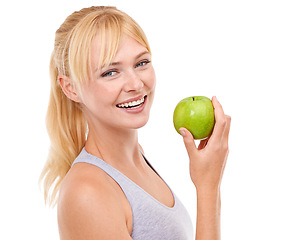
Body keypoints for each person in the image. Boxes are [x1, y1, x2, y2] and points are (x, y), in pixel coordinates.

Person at [40, 6, 231, 240]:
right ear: (70, 88)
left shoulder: (137, 157)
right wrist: (208, 187)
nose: (135, 84)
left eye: (141, 63)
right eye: (110, 72)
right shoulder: (87, 193)